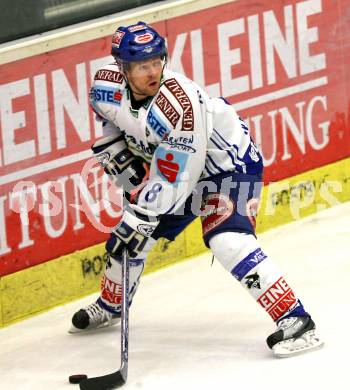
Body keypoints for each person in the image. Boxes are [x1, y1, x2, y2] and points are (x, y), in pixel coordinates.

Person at [70, 21, 323, 357]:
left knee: (227, 240)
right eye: (142, 66)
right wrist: (122, 161)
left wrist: (142, 213)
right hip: (175, 168)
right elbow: (111, 122)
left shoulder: (181, 107)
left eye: (157, 62)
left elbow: (179, 181)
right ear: (122, 68)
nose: (153, 72)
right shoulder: (105, 83)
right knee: (128, 238)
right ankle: (112, 303)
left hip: (227, 167)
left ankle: (298, 321)